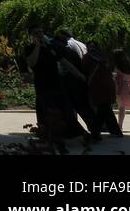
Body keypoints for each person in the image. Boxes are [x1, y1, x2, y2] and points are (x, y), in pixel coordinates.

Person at [26, 24, 89, 153]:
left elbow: (64, 62)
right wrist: (37, 45)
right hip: (42, 86)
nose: (40, 34)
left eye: (41, 31)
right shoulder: (29, 48)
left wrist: (79, 75)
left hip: (56, 83)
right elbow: (32, 63)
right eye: (36, 32)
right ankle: (50, 138)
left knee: (66, 110)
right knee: (47, 113)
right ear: (32, 35)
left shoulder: (51, 47)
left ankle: (75, 135)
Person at [83, 42, 121, 139]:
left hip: (97, 86)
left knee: (101, 110)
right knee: (105, 108)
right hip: (108, 85)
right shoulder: (105, 57)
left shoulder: (87, 58)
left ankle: (96, 133)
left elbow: (84, 70)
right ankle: (115, 131)